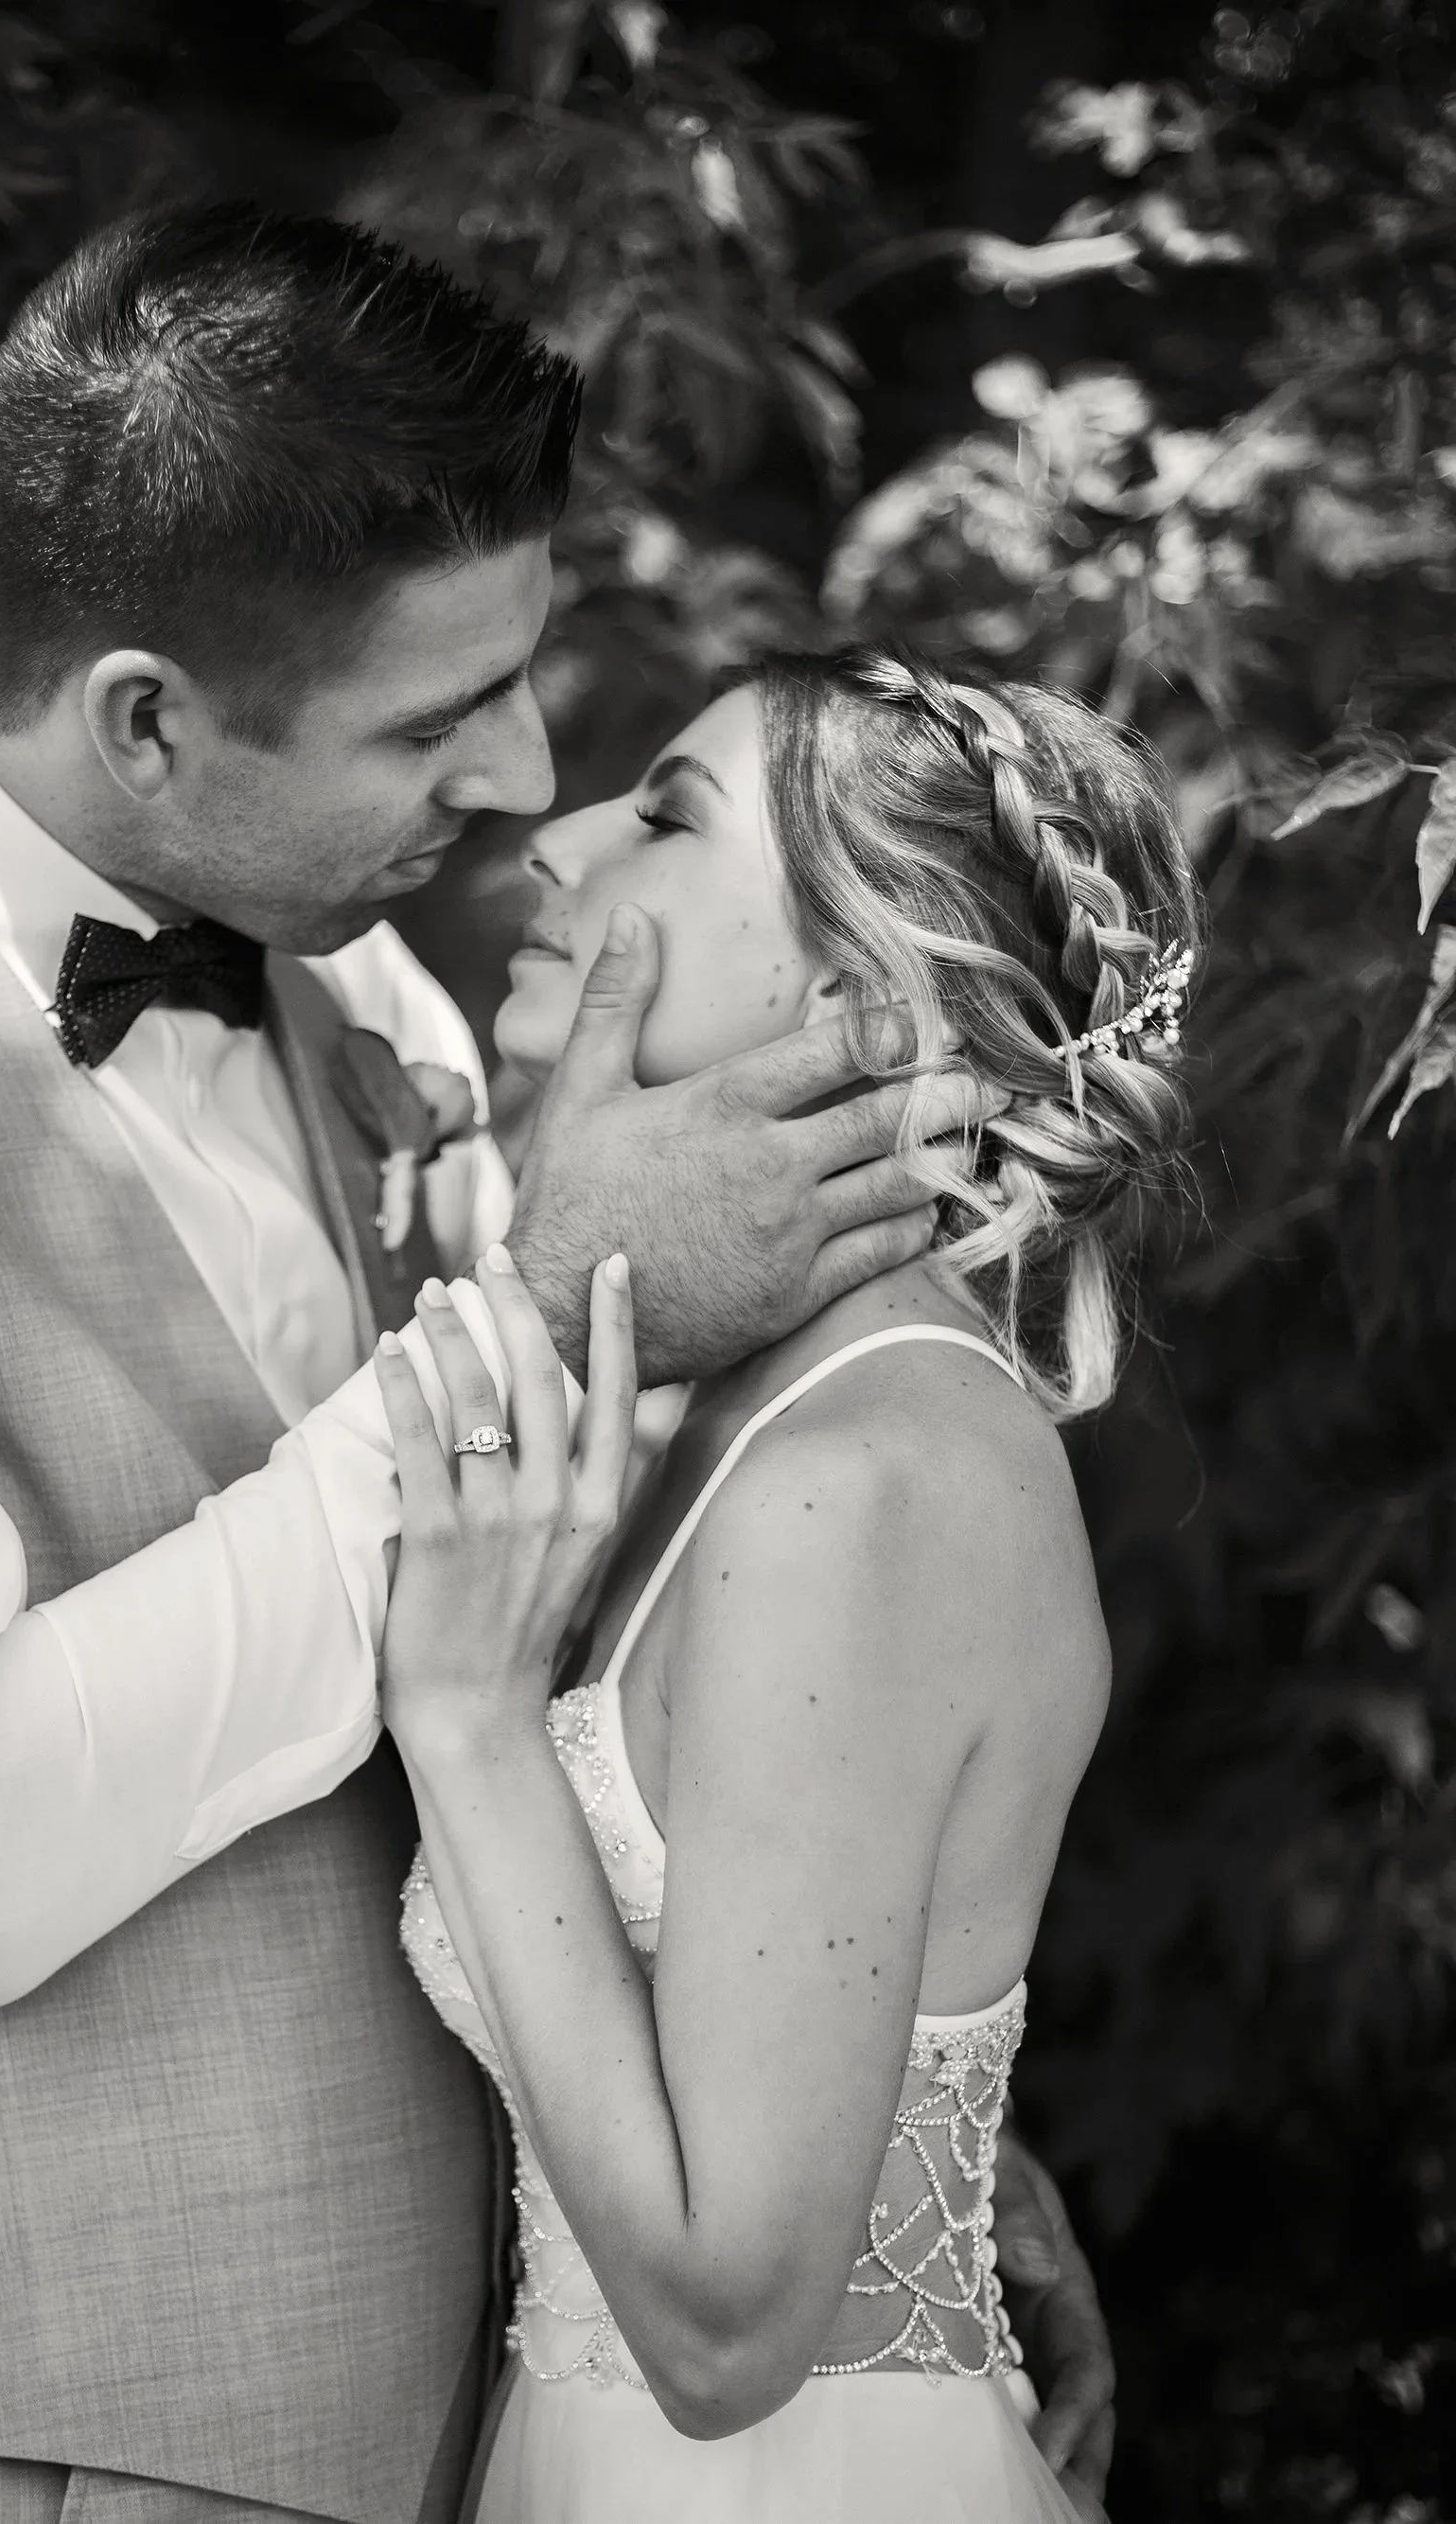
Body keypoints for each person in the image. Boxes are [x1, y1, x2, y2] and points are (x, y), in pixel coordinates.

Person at [0, 198, 1106, 2524]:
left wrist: (887, 2116)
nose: (517, 777)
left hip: (498, 2433)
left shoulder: (360, 993)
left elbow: (651, 1671)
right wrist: (522, 1318)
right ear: (148, 723)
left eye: (525, 672)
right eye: (437, 714)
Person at [376, 647, 1199, 2521]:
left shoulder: (860, 1480)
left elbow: (736, 2332)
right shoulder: (710, 1418)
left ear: (857, 998)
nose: (557, 839)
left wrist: (469, 1718)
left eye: (665, 816)